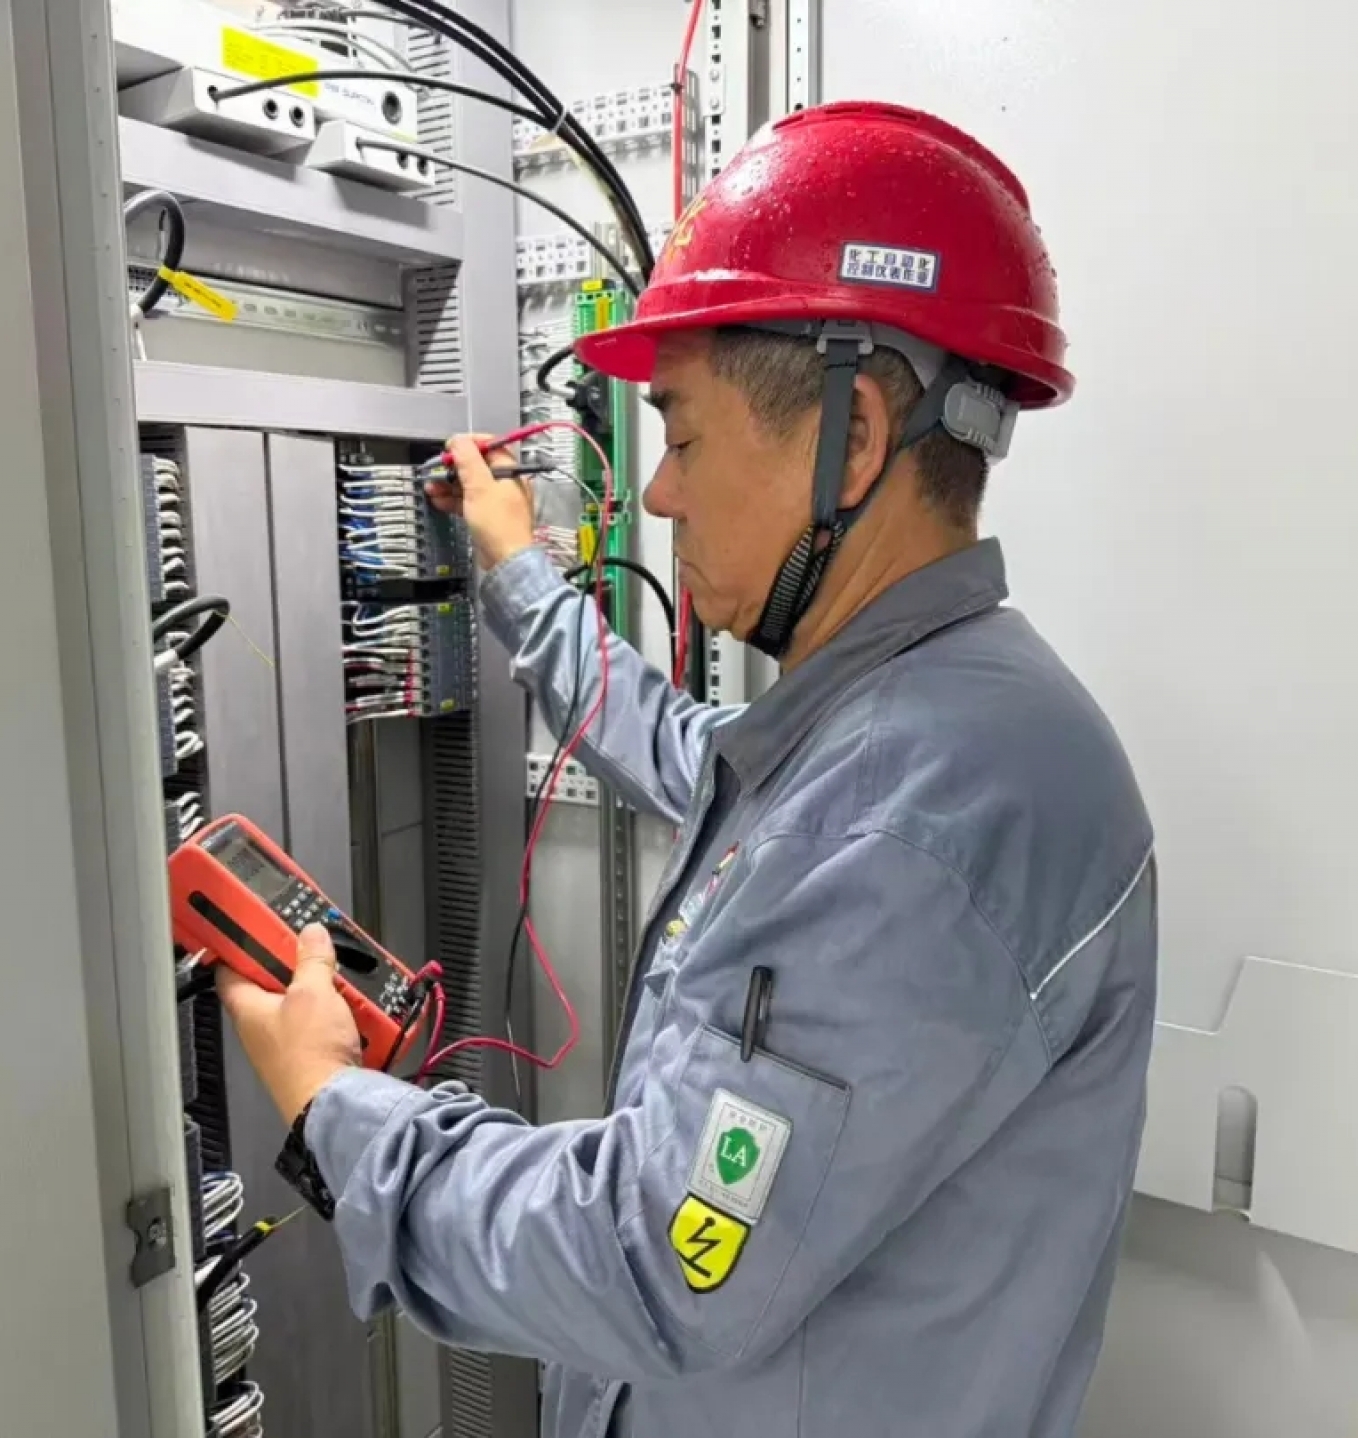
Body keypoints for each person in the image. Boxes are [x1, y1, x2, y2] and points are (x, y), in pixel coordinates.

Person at [217, 100, 1156, 1438]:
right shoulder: (907, 721)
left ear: (854, 437)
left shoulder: (927, 812)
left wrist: (335, 1110)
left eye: (684, 433)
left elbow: (656, 1259)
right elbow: (681, 751)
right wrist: (515, 567)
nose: (657, 493)